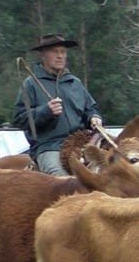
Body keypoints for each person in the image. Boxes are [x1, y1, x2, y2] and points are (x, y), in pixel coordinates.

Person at [12, 33, 103, 176]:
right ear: (43, 55)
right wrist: (46, 111)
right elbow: (20, 119)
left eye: (63, 52)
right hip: (50, 147)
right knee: (63, 180)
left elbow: (90, 109)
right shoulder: (31, 84)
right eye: (55, 52)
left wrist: (94, 117)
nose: (60, 56)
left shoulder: (74, 83)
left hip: (82, 144)